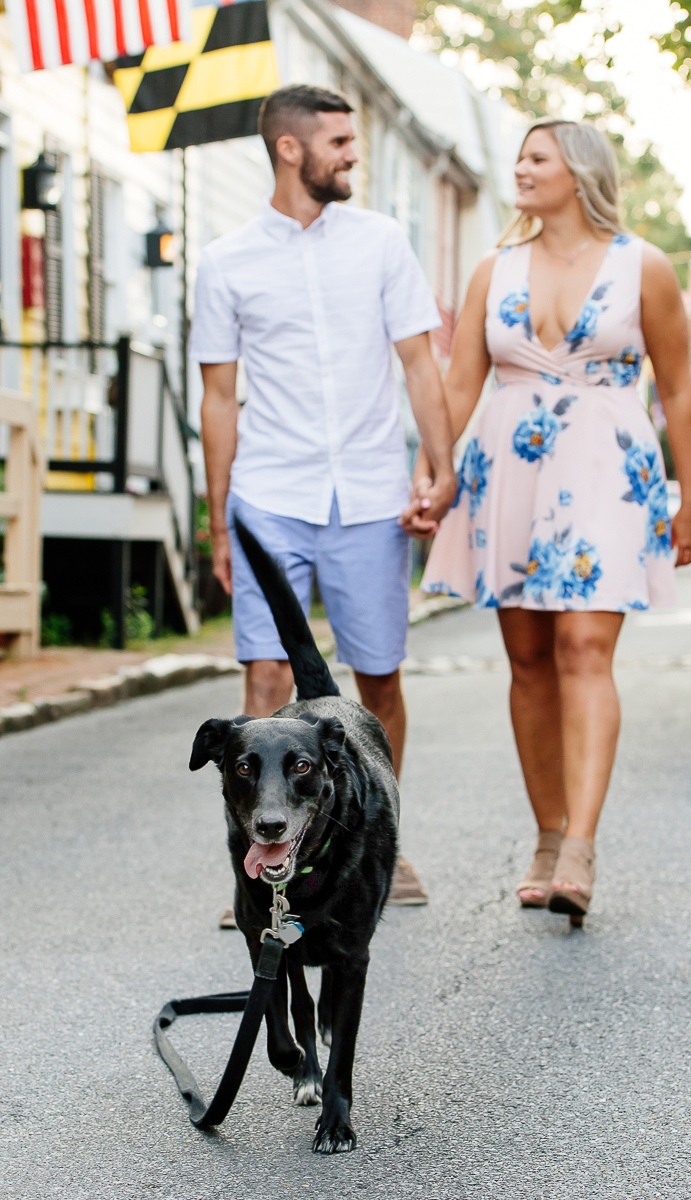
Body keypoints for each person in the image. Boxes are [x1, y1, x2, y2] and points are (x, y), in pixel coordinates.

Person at [404, 116, 691, 921]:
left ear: (578, 170)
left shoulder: (644, 265)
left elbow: (677, 390)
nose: (521, 170)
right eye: (520, 158)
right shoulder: (492, 270)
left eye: (537, 158)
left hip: (607, 465)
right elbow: (460, 383)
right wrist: (434, 471)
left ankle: (581, 846)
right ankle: (546, 834)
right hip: (508, 469)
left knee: (582, 646)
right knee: (530, 658)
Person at [192, 84, 457, 912]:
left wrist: (437, 469)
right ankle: (265, 867)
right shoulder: (226, 260)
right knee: (267, 678)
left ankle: (381, 843)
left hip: (372, 491)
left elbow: (420, 362)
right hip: (270, 489)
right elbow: (219, 397)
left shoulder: (381, 243)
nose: (354, 153)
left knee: (376, 681)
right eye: (339, 141)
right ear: (290, 149)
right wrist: (218, 517)